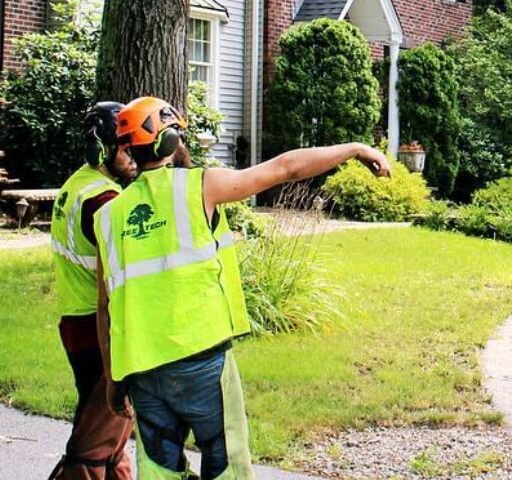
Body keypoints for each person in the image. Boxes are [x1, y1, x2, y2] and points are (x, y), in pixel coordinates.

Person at [93, 97, 390, 480]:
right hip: (204, 362)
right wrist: (356, 148)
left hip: (142, 371)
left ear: (129, 148)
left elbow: (105, 310)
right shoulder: (201, 187)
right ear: (169, 141)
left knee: (159, 470)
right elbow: (287, 167)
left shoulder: (106, 218)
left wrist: (113, 382)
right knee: (225, 463)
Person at [48, 102, 137, 480]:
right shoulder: (105, 201)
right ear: (102, 149)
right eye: (125, 147)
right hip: (100, 330)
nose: (133, 156)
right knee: (93, 447)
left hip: (76, 322)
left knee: (111, 440)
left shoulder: (77, 185)